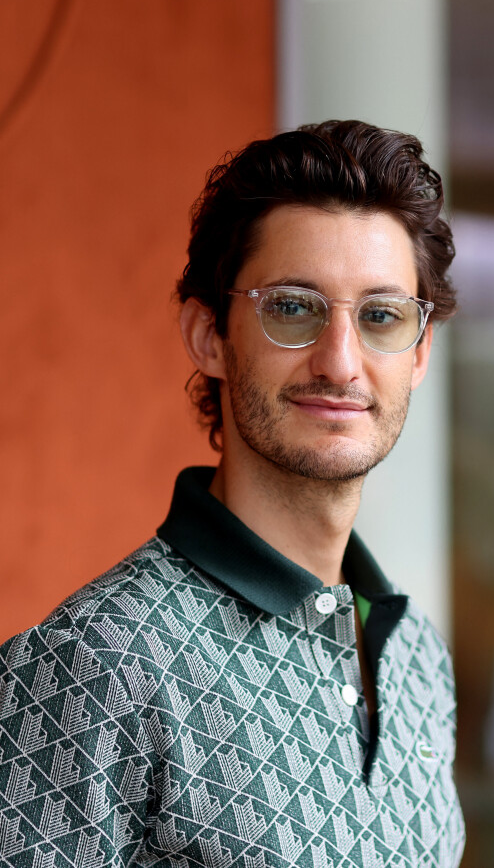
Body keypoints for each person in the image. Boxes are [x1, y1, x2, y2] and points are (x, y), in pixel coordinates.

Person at [0, 120, 465, 867]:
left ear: (418, 354)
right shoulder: (95, 661)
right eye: (292, 307)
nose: (340, 361)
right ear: (209, 334)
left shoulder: (417, 660)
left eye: (380, 316)